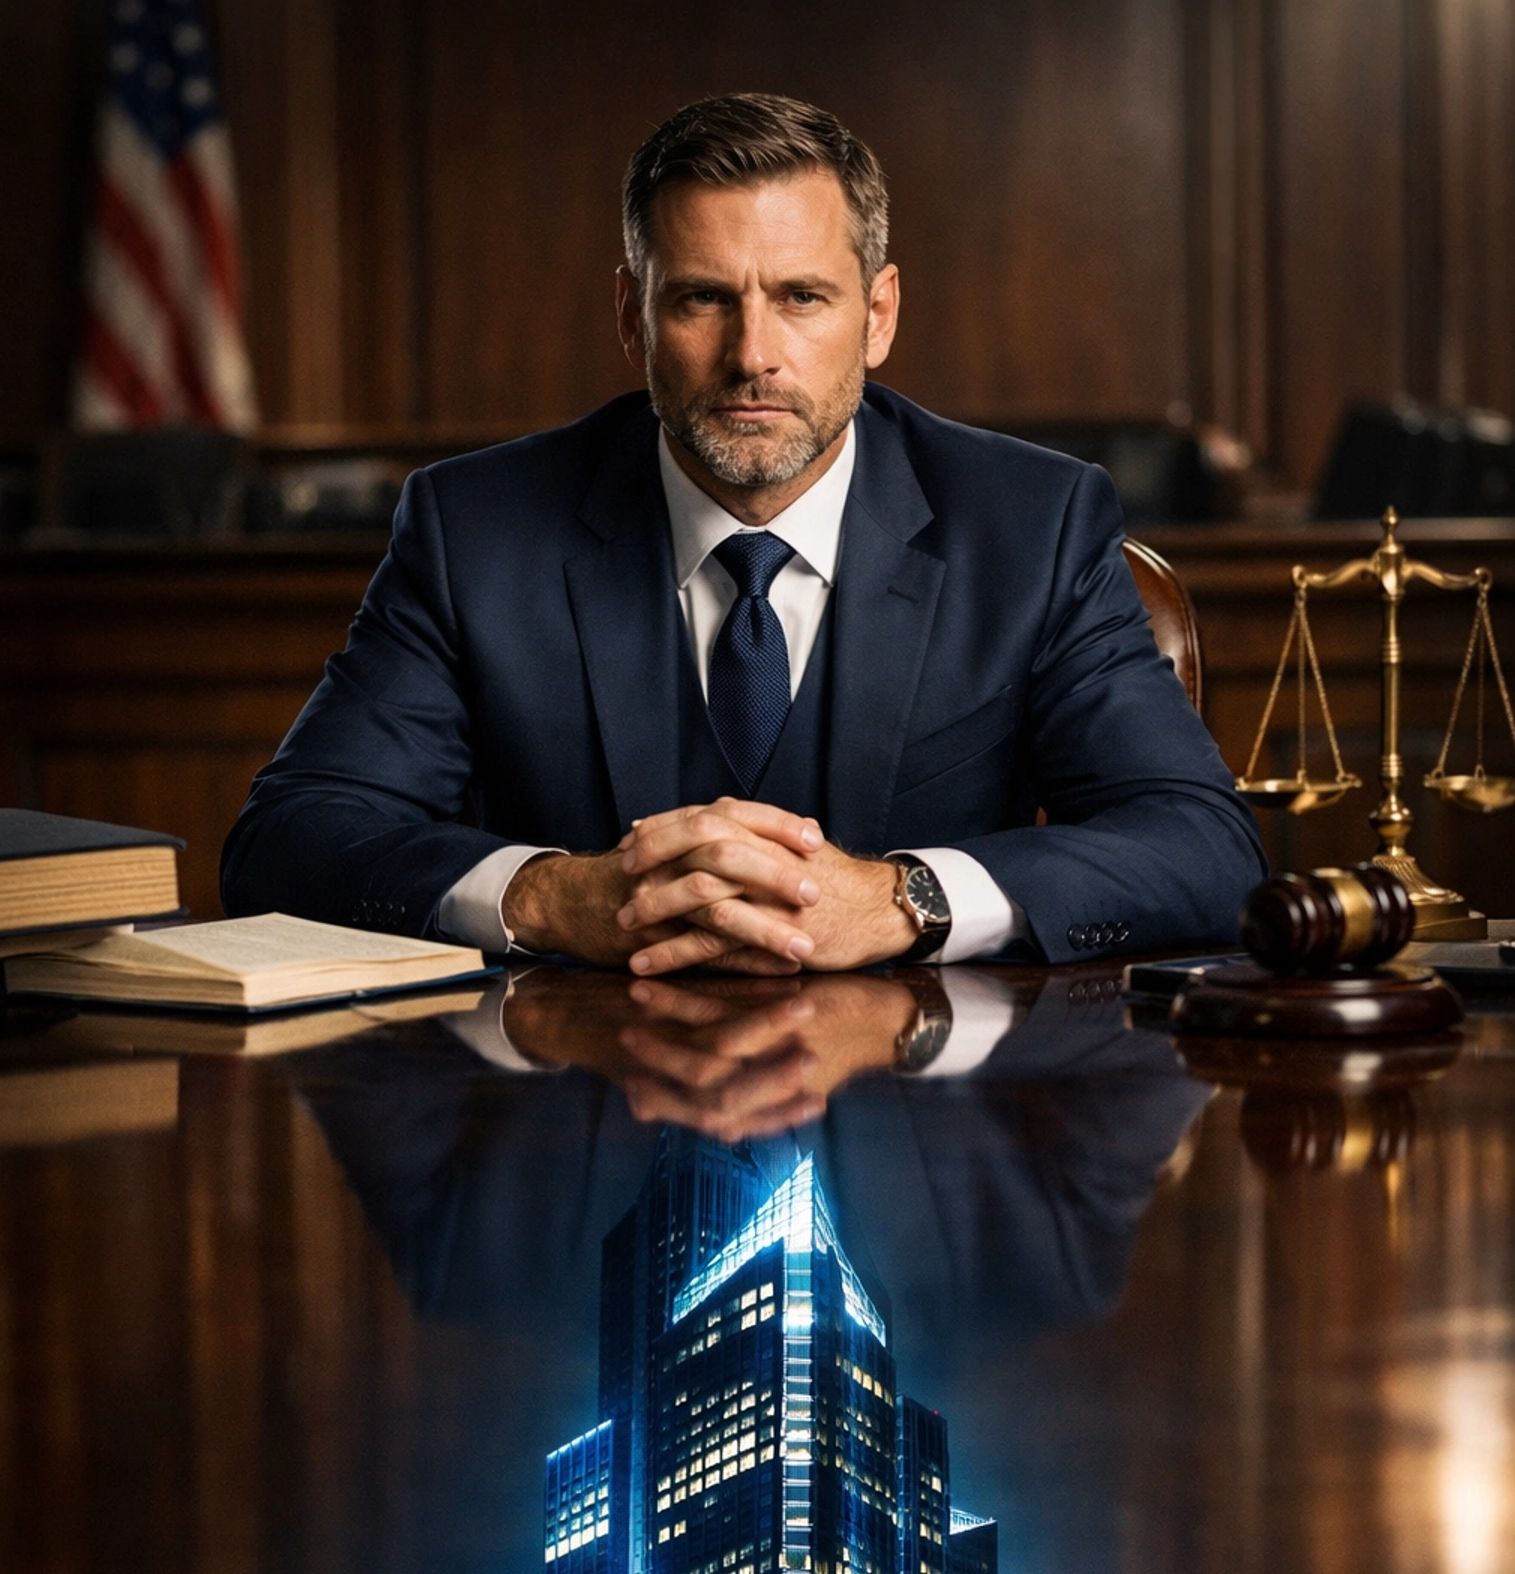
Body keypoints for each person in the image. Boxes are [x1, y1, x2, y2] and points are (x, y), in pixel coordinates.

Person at [221, 93, 1267, 973]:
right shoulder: (476, 531)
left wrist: (910, 901)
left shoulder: (1032, 525)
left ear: (879, 313)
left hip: (927, 1139)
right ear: (634, 317)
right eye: (703, 300)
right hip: (575, 1130)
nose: (753, 353)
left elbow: (1204, 848)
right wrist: (544, 897)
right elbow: (288, 843)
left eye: (802, 297)